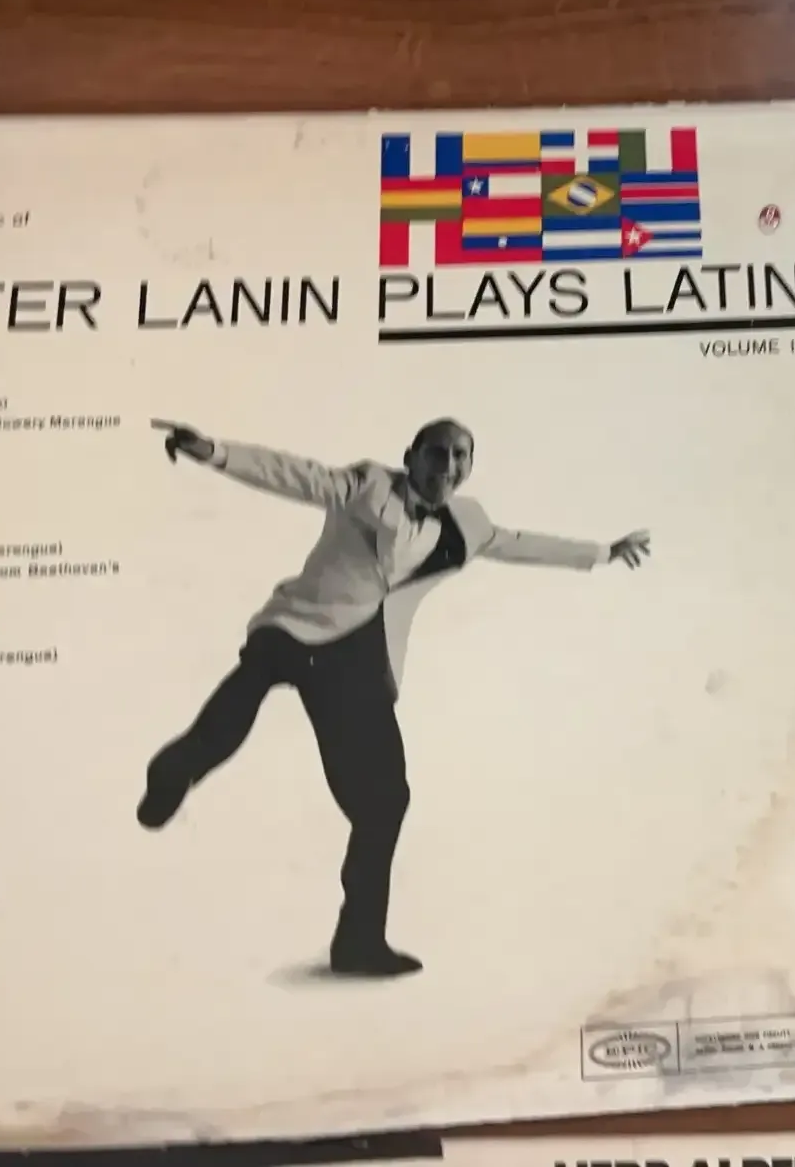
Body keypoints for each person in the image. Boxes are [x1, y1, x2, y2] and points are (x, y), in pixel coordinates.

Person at [137, 416, 651, 978]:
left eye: (460, 456)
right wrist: (213, 451)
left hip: (357, 656)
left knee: (385, 802)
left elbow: (518, 544)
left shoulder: (469, 523)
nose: (447, 466)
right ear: (410, 456)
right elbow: (294, 475)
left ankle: (358, 943)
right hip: (298, 622)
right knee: (243, 696)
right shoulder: (367, 485)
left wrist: (603, 551)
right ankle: (173, 772)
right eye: (436, 453)